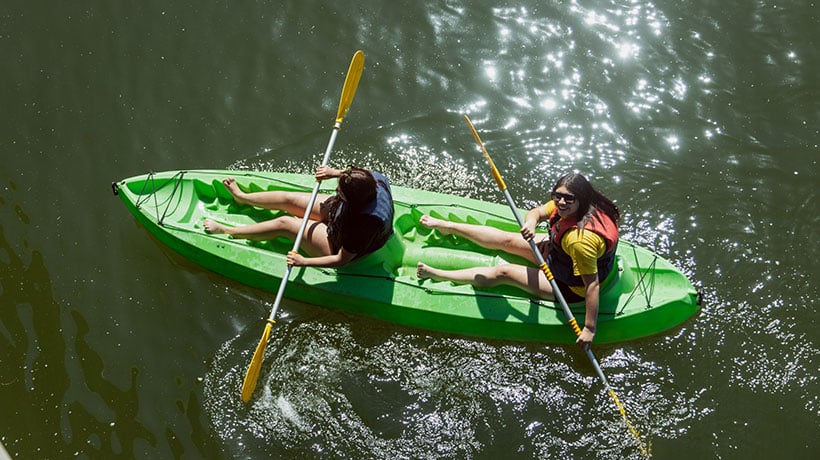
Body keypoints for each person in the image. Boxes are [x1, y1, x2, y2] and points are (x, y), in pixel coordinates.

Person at [416, 172, 619, 348]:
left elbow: (591, 285)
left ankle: (439, 274)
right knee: (507, 239)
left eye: (568, 198)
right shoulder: (567, 205)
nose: (561, 202)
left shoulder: (579, 241)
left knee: (504, 272)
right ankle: (447, 226)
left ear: (581, 198)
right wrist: (531, 224)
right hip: (560, 255)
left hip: (570, 286)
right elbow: (536, 212)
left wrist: (589, 329)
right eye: (557, 196)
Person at [204, 165, 394, 268]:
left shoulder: (361, 227)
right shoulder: (373, 180)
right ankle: (242, 197)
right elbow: (353, 174)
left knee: (285, 223)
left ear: (350, 200)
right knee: (289, 200)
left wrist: (304, 262)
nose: (336, 191)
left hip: (339, 247)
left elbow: (340, 260)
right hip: (345, 212)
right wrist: (334, 173)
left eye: (340, 192)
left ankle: (228, 231)